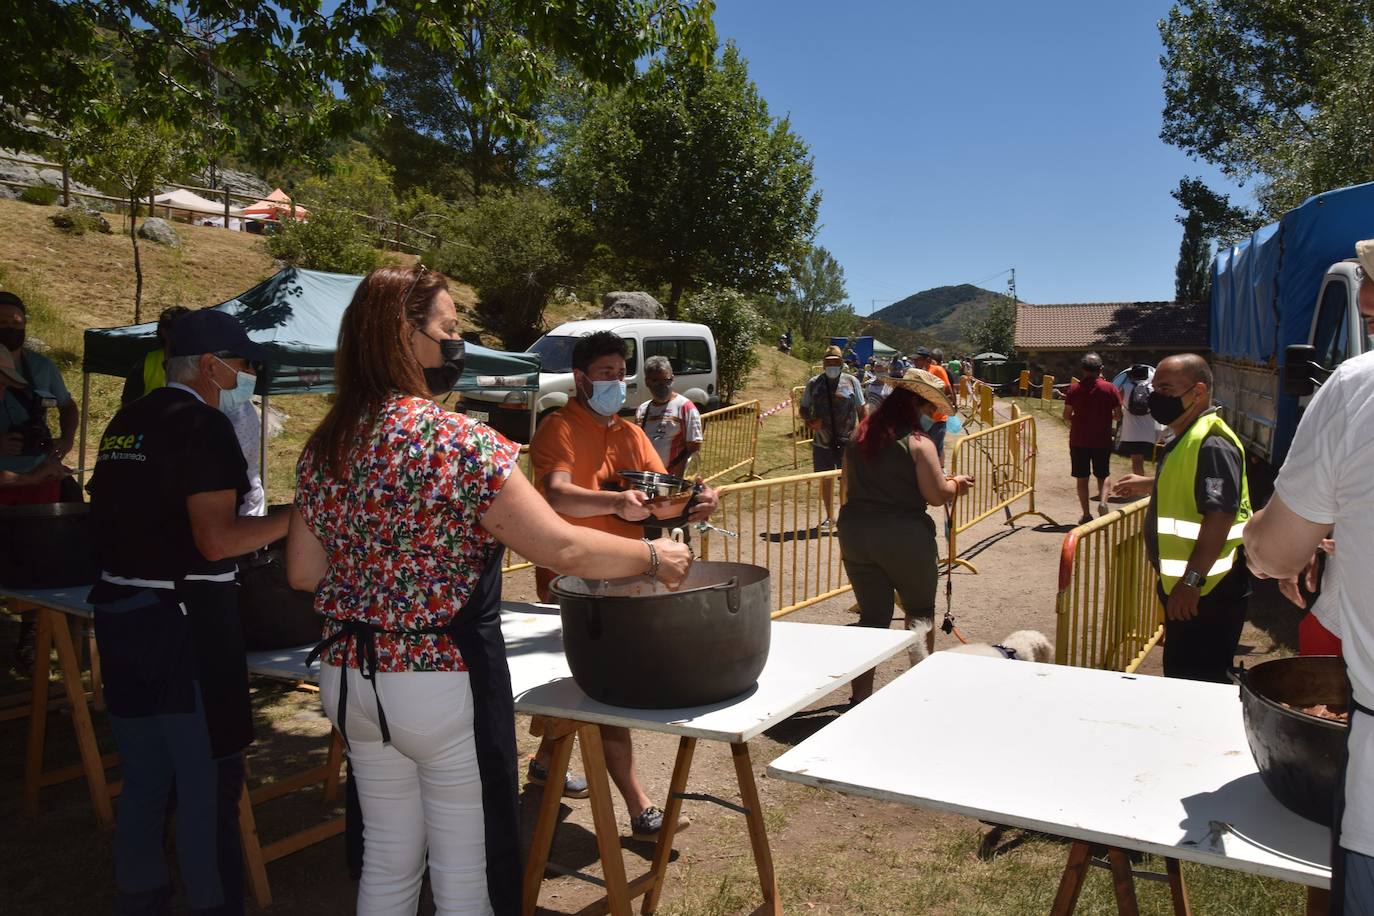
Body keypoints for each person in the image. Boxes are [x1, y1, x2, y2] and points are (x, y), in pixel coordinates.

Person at [287, 270, 691, 914]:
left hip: (349, 675)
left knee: (388, 859)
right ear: (402, 336)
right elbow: (560, 548)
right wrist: (652, 554)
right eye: (447, 330)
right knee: (465, 869)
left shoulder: (328, 443)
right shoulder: (460, 441)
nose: (457, 344)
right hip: (439, 678)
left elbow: (305, 573)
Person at [85, 309, 292, 914]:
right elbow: (217, 540)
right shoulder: (202, 427)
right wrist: (297, 516)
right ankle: (212, 902)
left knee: (146, 775)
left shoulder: (129, 419)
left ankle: (140, 894)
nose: (247, 376)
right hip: (183, 622)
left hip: (122, 618)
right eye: (244, 366)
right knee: (206, 781)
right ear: (210, 366)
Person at [527, 329, 717, 839]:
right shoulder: (558, 428)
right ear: (581, 377)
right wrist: (612, 503)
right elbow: (559, 495)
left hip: (625, 572)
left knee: (582, 680)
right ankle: (639, 804)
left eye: (620, 374)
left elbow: (662, 500)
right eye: (607, 374)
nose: (616, 383)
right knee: (607, 686)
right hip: (572, 577)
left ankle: (545, 759)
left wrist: (696, 503)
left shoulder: (631, 433)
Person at [1242, 247, 1374, 912]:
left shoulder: (1358, 385)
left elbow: (1274, 551)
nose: (1366, 303)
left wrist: (1259, 543)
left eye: (1373, 286)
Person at [1109, 353, 1250, 684]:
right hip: (1192, 589)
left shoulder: (1212, 442)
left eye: (1166, 388)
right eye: (1154, 387)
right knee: (1183, 673)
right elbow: (1192, 486)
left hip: (1208, 591)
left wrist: (1190, 582)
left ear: (1198, 392)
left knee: (1198, 682)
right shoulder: (1186, 436)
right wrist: (1147, 484)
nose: (1153, 397)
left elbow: (1220, 515)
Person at [840, 368, 973, 704]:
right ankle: (919, 691)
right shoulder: (919, 443)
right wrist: (956, 484)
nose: (932, 415)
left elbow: (846, 487)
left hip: (856, 535)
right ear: (915, 403)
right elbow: (936, 494)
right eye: (929, 408)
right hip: (904, 538)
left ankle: (860, 696)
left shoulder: (859, 437)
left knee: (872, 617)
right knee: (919, 613)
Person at [799, 345, 865, 527]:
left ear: (842, 363)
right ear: (823, 364)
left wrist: (863, 434)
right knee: (825, 479)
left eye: (835, 362)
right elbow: (803, 408)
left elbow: (861, 410)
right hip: (822, 442)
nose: (832, 365)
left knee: (846, 478)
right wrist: (811, 421)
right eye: (828, 362)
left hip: (848, 441)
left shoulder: (852, 382)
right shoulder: (814, 383)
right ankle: (830, 516)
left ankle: (845, 513)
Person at [1063, 352, 1122, 523]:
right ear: (1101, 369)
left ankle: (1086, 514)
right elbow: (1118, 415)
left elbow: (1066, 415)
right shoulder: (1110, 388)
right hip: (1101, 439)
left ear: (1083, 369)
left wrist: (1080, 419)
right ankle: (1103, 502)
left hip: (1079, 439)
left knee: (1082, 477)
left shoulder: (1074, 389)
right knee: (1103, 474)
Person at [634, 355, 703, 478]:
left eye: (667, 381)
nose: (663, 386)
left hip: (672, 480)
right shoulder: (642, 410)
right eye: (656, 381)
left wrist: (681, 479)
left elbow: (694, 449)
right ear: (647, 382)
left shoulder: (685, 407)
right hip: (648, 478)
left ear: (673, 379)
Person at [120, 305, 191, 405]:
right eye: (181, 329)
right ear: (164, 332)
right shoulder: (145, 365)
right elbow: (128, 406)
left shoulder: (202, 363)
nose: (187, 335)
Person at [1115, 363, 1160, 478]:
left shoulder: (1125, 388)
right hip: (1149, 431)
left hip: (1132, 431)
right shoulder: (1153, 389)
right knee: (1145, 460)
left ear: (1132, 376)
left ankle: (1140, 488)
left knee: (1136, 461)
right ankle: (1144, 484)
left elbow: (1116, 404)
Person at [910, 347, 953, 459]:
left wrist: (948, 406)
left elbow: (948, 390)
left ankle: (937, 473)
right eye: (914, 359)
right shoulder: (915, 373)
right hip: (920, 418)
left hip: (937, 419)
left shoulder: (937, 370)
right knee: (922, 449)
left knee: (934, 451)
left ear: (926, 360)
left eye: (917, 359)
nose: (914, 362)